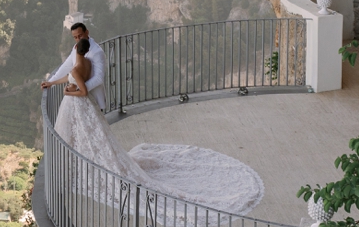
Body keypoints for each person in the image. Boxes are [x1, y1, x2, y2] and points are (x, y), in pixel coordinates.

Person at [50, 39, 265, 211]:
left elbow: (83, 90)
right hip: (86, 108)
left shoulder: (77, 68)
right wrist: (55, 83)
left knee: (79, 136)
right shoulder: (87, 62)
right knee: (91, 137)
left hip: (78, 103)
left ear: (77, 49)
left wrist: (68, 91)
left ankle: (70, 168)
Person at [42, 20, 106, 111]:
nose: (78, 39)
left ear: (87, 32)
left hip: (93, 98)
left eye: (80, 36)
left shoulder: (97, 52)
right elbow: (66, 66)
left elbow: (99, 78)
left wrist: (77, 88)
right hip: (79, 99)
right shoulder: (76, 48)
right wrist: (50, 82)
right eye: (75, 37)